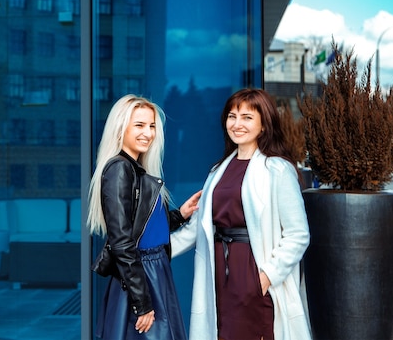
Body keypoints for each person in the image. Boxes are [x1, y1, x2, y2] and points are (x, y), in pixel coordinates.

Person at [171, 88, 311, 340]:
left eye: (247, 117)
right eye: (232, 116)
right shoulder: (217, 171)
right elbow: (198, 228)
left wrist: (266, 277)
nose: (237, 124)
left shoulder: (277, 170)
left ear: (264, 125)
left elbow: (298, 234)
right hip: (219, 273)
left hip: (254, 270)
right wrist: (155, 251)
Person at [87, 94, 201, 340]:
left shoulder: (136, 170)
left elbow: (144, 227)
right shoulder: (119, 169)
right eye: (139, 125)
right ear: (120, 129)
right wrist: (142, 302)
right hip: (140, 274)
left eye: (151, 126)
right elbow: (122, 243)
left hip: (153, 271)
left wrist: (180, 215)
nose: (148, 133)